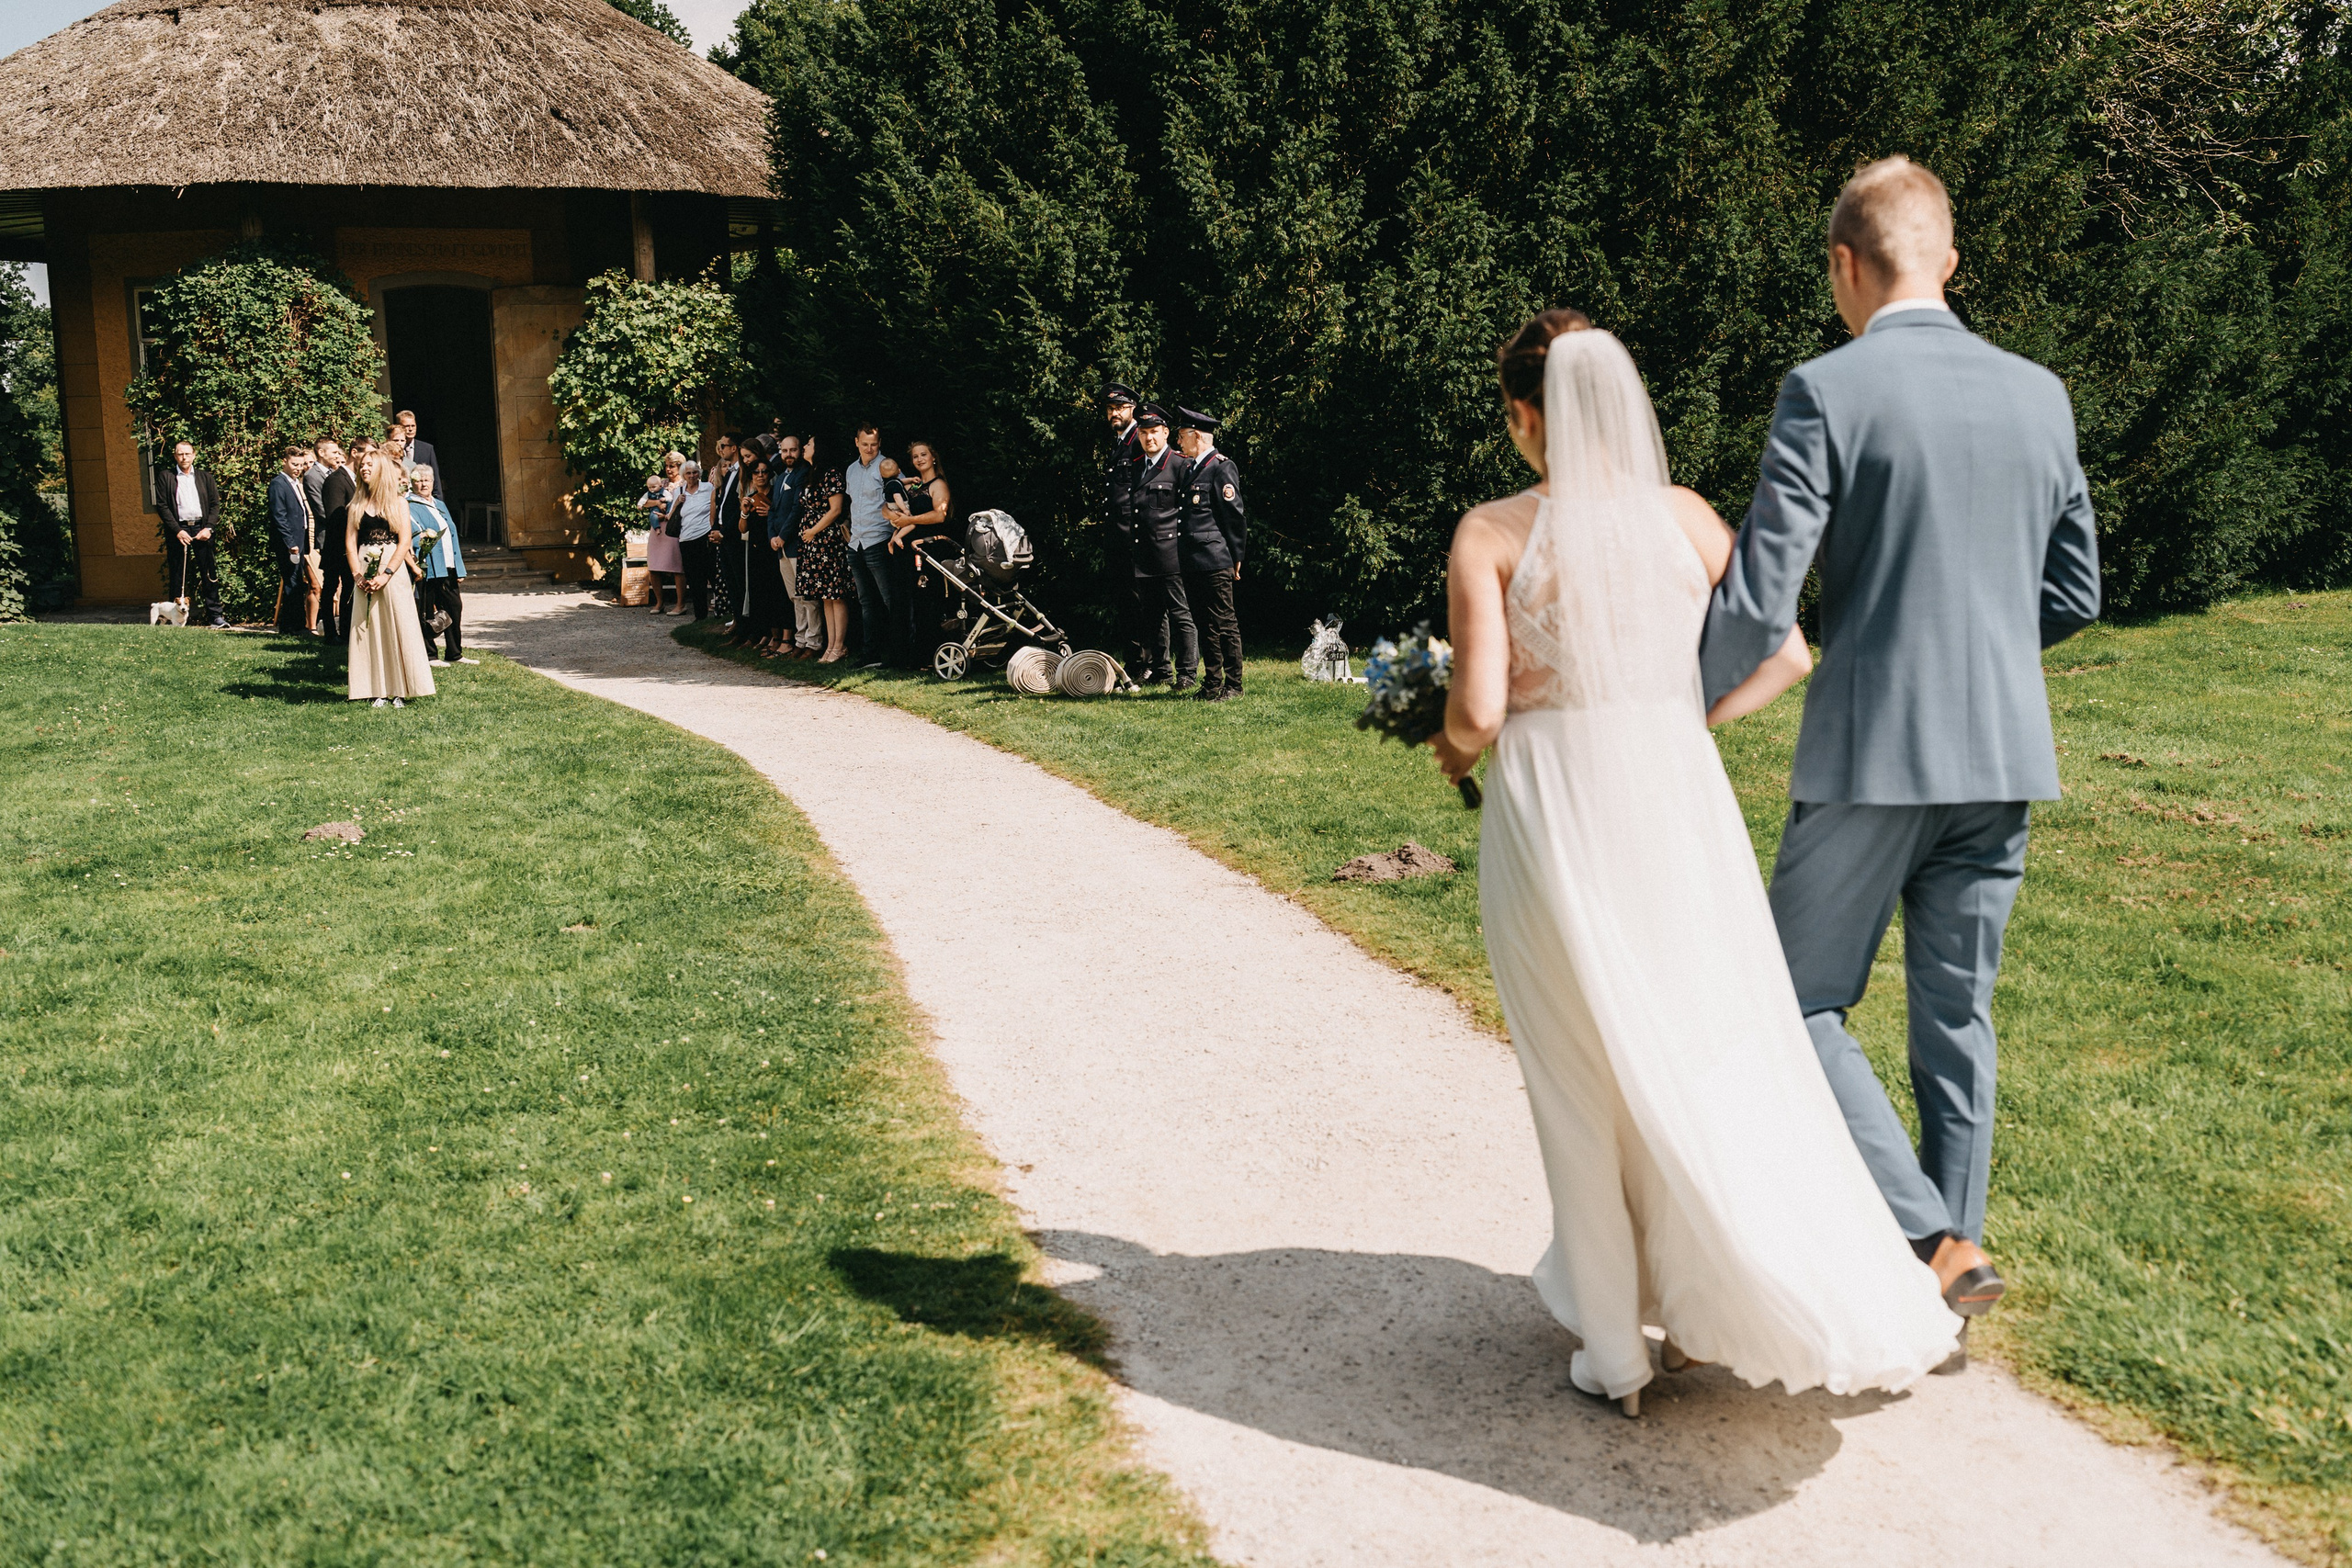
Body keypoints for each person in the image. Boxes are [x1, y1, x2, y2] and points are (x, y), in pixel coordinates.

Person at [1432, 309, 1961, 1416]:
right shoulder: (1681, 517)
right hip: (1673, 804)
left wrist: (1444, 741)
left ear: (1526, 414)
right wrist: (1681, 718)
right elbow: (1789, 653)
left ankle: (1616, 1352)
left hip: (1554, 812)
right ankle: (1738, 1282)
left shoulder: (1491, 531)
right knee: (1701, 1040)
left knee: (1577, 1071)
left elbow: (1479, 708)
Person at [1699, 156, 2102, 1371]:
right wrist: (1984, 651)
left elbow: (1764, 598)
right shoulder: (2040, 393)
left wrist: (1677, 702)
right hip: (2005, 753)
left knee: (1787, 997)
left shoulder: (1826, 388)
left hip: (1876, 750)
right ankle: (1954, 1265)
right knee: (1956, 1014)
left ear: (1844, 264)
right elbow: (2076, 589)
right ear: (1950, 259)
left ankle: (1927, 1238)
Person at [345, 451, 436, 707]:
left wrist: (387, 574)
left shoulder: (398, 503)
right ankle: (375, 690)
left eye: (370, 465)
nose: (364, 469)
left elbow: (404, 541)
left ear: (382, 469)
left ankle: (399, 690)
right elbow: (351, 544)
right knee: (369, 628)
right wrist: (357, 575)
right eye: (362, 465)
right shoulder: (356, 505)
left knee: (398, 626)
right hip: (364, 568)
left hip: (392, 573)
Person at [1173, 409, 1246, 701]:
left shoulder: (1221, 467)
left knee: (1224, 623)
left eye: (1181, 436)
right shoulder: (1191, 469)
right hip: (1193, 560)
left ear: (1197, 436)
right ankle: (1212, 683)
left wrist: (1237, 555)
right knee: (1204, 624)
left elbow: (1234, 516)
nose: (1178, 443)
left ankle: (1234, 685)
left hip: (1216, 559)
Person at [1124, 404, 1196, 692]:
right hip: (1145, 555)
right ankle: (1162, 670)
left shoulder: (1180, 465)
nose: (1149, 438)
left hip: (1172, 554)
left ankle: (1187, 672)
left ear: (1166, 433)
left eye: (1154, 432)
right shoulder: (1138, 465)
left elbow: (1190, 512)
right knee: (1153, 616)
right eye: (1143, 433)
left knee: (1181, 615)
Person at [888, 439, 956, 665]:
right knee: (906, 602)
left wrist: (910, 519)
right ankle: (905, 656)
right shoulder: (914, 487)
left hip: (930, 550)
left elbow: (940, 515)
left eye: (923, 454)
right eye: (915, 456)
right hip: (907, 550)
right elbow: (892, 508)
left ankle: (927, 655)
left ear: (933, 456)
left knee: (927, 601)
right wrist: (894, 534)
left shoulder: (939, 485)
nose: (919, 459)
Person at [843, 424, 902, 667]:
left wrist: (896, 533)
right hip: (856, 543)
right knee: (866, 602)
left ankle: (899, 653)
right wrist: (846, 531)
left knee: (890, 600)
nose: (869, 449)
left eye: (874, 444)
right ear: (856, 442)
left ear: (880, 443)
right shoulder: (851, 470)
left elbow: (901, 500)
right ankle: (871, 655)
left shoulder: (887, 467)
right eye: (865, 444)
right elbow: (851, 503)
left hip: (879, 541)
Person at [153, 441, 225, 626]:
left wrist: (209, 527)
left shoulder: (205, 477)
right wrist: (177, 530)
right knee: (178, 575)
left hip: (202, 530)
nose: (184, 457)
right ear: (175, 456)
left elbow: (215, 504)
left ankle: (215, 617)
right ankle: (173, 619)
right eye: (180, 454)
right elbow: (162, 506)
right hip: (179, 531)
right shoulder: (166, 477)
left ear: (194, 455)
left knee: (209, 574)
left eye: (187, 454)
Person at [408, 464, 471, 665]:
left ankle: (454, 653)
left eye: (427, 479)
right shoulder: (408, 504)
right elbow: (413, 535)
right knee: (426, 610)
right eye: (418, 479)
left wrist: (459, 568)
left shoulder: (439, 504)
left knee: (454, 607)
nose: (423, 483)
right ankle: (430, 654)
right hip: (428, 566)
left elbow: (452, 536)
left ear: (433, 482)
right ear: (412, 482)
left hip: (448, 566)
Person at [795, 446, 851, 662]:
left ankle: (839, 645)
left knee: (836, 595)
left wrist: (813, 531)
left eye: (809, 445)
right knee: (826, 597)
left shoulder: (832, 474)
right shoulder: (812, 473)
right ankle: (830, 645)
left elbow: (835, 509)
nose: (804, 448)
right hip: (814, 542)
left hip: (828, 541)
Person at [772, 434, 820, 657]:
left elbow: (796, 510)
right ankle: (800, 640)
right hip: (780, 546)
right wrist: (772, 536)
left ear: (800, 451)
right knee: (794, 596)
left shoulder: (803, 474)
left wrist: (783, 535)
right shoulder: (781, 477)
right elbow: (773, 510)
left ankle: (814, 641)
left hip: (796, 544)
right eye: (784, 451)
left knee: (807, 596)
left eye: (792, 450)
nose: (788, 455)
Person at [311, 437, 357, 644]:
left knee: (348, 588)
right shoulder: (335, 479)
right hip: (336, 544)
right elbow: (333, 515)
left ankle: (348, 631)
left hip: (350, 545)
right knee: (330, 588)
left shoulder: (354, 479)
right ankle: (331, 632)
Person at [268, 444, 314, 634]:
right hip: (290, 543)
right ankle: (290, 626)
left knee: (297, 582)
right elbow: (279, 515)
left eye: (301, 464)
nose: (298, 468)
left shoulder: (295, 483)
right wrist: (290, 543)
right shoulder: (278, 483)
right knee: (292, 582)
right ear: (284, 462)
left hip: (300, 538)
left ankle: (295, 624)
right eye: (295, 464)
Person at [639, 450, 685, 614]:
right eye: (666, 466)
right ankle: (659, 603)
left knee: (676, 566)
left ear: (680, 467)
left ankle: (680, 604)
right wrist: (657, 504)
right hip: (657, 527)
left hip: (673, 528)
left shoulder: (685, 483)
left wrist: (668, 513)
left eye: (672, 466)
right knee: (653, 565)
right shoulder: (662, 483)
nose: (668, 469)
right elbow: (645, 502)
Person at [672, 458, 715, 620]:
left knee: (712, 574)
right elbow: (671, 516)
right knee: (694, 580)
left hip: (705, 537)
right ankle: (700, 616)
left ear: (699, 473)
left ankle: (723, 614)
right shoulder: (679, 491)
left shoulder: (708, 488)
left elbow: (714, 509)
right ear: (683, 475)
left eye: (695, 472)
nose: (692, 475)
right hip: (686, 540)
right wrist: (677, 503)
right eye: (688, 473)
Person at [707, 432, 741, 626]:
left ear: (734, 448)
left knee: (737, 582)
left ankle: (744, 626)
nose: (721, 450)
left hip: (732, 534)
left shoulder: (740, 471)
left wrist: (725, 531)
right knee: (729, 582)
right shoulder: (729, 473)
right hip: (721, 531)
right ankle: (737, 622)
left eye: (724, 446)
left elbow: (737, 508)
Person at [394, 411, 441, 502]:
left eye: (413, 426)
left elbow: (435, 479)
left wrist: (438, 501)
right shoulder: (391, 450)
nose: (410, 429)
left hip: (422, 499)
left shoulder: (427, 449)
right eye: (406, 426)